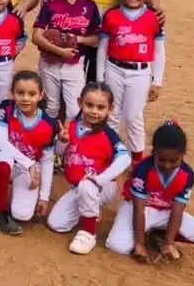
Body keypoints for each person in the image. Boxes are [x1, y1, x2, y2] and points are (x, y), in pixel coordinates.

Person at [47, 82, 131, 255]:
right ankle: (90, 209)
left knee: (87, 186)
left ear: (110, 109)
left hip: (103, 186)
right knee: (57, 224)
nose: (94, 111)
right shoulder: (70, 128)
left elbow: (125, 158)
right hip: (78, 187)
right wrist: (62, 142)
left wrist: (99, 179)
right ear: (80, 103)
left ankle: (88, 232)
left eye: (101, 107)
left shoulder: (109, 134)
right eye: (89, 105)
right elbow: (59, 154)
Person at [105, 121, 194, 261]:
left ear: (183, 154)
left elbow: (178, 210)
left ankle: (158, 235)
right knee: (117, 246)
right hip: (139, 209)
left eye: (173, 161)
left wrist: (168, 243)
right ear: (154, 151)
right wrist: (140, 245)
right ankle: (142, 235)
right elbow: (139, 209)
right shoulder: (144, 169)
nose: (167, 165)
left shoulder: (187, 174)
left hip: (166, 212)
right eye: (161, 160)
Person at [97, 0, 166, 163]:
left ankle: (136, 159)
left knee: (134, 116)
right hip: (114, 68)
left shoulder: (154, 17)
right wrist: (100, 78)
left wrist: (157, 80)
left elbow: (160, 52)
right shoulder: (112, 15)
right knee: (111, 114)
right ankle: (109, 154)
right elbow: (103, 48)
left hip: (140, 72)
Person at [32, 0, 100, 128]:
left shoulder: (90, 6)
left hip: (75, 65)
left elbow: (96, 39)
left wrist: (76, 39)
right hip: (49, 63)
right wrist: (58, 50)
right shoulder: (50, 4)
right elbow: (36, 36)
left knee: (74, 110)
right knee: (52, 106)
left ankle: (69, 144)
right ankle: (50, 144)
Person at [0, 71, 58, 236]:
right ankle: (0, 211)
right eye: (20, 93)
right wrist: (29, 164)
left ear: (41, 95)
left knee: (22, 215)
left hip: (29, 169)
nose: (25, 98)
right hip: (12, 161)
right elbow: (0, 143)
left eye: (32, 94)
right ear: (12, 93)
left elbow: (48, 161)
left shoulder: (49, 124)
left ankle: (16, 194)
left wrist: (44, 197)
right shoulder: (6, 107)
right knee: (2, 162)